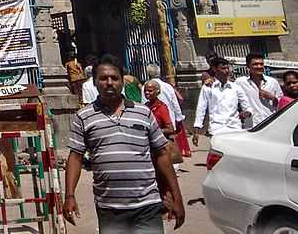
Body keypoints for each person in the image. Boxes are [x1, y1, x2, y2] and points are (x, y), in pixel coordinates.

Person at [64, 54, 184, 233]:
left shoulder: (143, 112)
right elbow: (75, 158)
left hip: (147, 206)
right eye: (103, 78)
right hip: (109, 208)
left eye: (115, 78)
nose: (109, 82)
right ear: (95, 82)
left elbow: (162, 155)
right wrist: (70, 196)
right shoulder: (84, 117)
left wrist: (177, 197)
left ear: (123, 81)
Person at [192, 57, 252, 155]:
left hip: (234, 128)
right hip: (217, 129)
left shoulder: (236, 88)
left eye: (227, 68)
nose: (227, 71)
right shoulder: (208, 88)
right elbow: (201, 109)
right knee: (218, 157)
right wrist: (197, 129)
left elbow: (247, 106)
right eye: (223, 68)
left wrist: (247, 113)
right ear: (215, 69)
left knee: (235, 156)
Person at [234, 53, 283, 127]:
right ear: (248, 66)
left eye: (261, 64)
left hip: (271, 124)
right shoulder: (240, 82)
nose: (259, 66)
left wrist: (273, 98)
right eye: (255, 64)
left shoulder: (272, 82)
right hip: (252, 126)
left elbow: (282, 104)